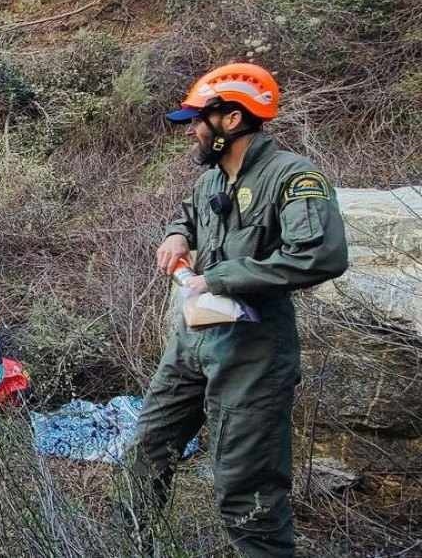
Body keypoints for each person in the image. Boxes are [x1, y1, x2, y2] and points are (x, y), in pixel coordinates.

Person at [129, 63, 348, 556]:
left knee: (244, 491)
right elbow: (188, 212)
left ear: (231, 120)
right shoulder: (211, 181)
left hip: (253, 355)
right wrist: (176, 233)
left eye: (196, 121)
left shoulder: (292, 177)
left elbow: (321, 256)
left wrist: (222, 276)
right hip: (191, 343)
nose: (191, 131)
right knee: (146, 455)